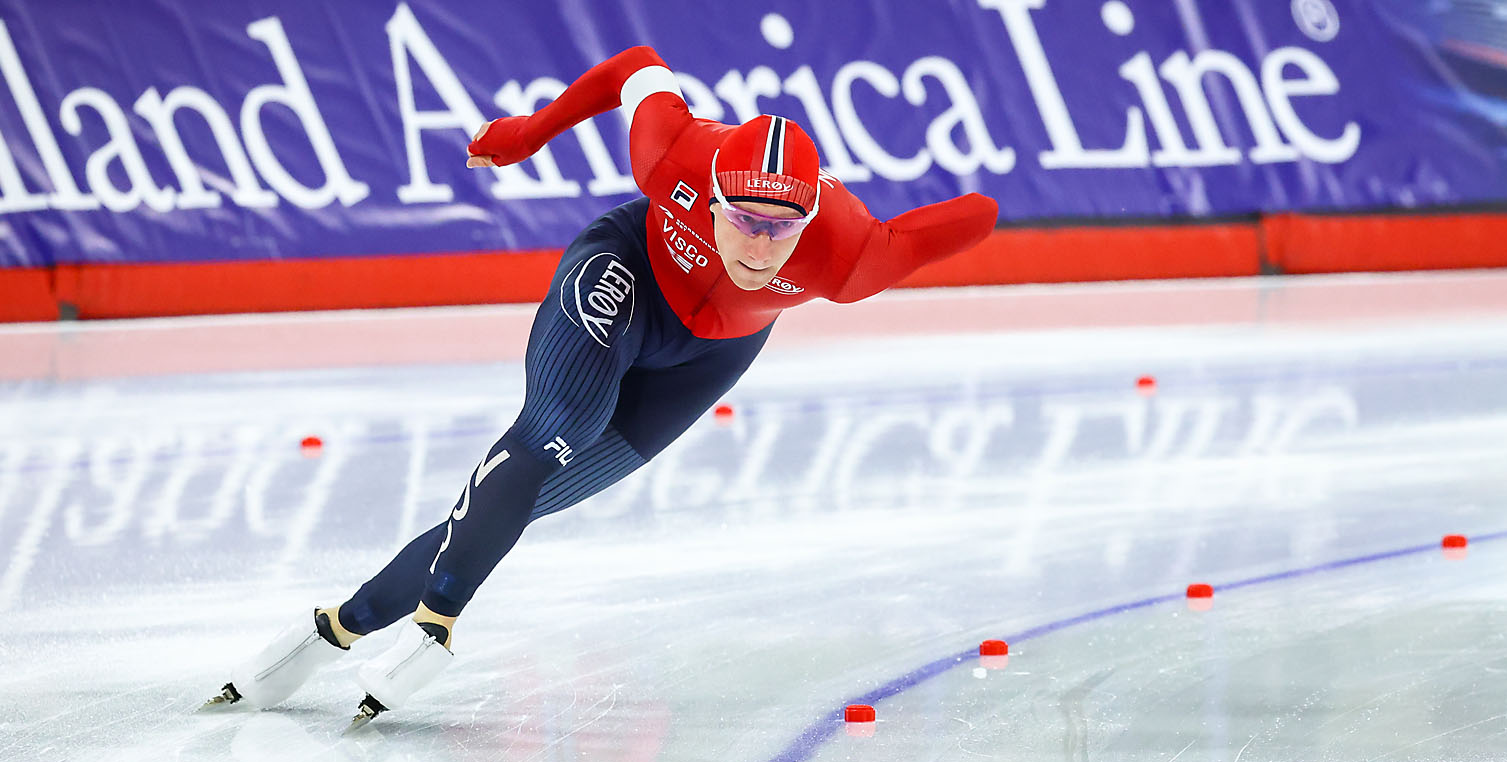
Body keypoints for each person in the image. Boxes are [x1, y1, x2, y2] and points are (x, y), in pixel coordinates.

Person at [208, 45, 998, 727]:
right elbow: (635, 66)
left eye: (781, 228)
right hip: (624, 274)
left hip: (709, 358)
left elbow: (978, 214)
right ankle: (437, 622)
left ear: (810, 213)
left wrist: (977, 199)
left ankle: (339, 626)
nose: (759, 247)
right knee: (553, 430)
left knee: (527, 498)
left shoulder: (849, 254)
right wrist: (524, 136)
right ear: (710, 194)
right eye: (743, 220)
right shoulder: (673, 155)